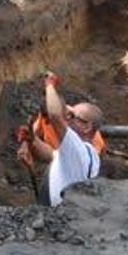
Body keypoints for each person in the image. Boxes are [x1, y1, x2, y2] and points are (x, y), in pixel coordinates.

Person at [16, 72, 103, 206]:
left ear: (87, 127)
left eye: (73, 116)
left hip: (57, 215)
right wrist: (32, 139)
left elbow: (55, 116)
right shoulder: (77, 150)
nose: (67, 118)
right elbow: (52, 155)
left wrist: (50, 85)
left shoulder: (79, 149)